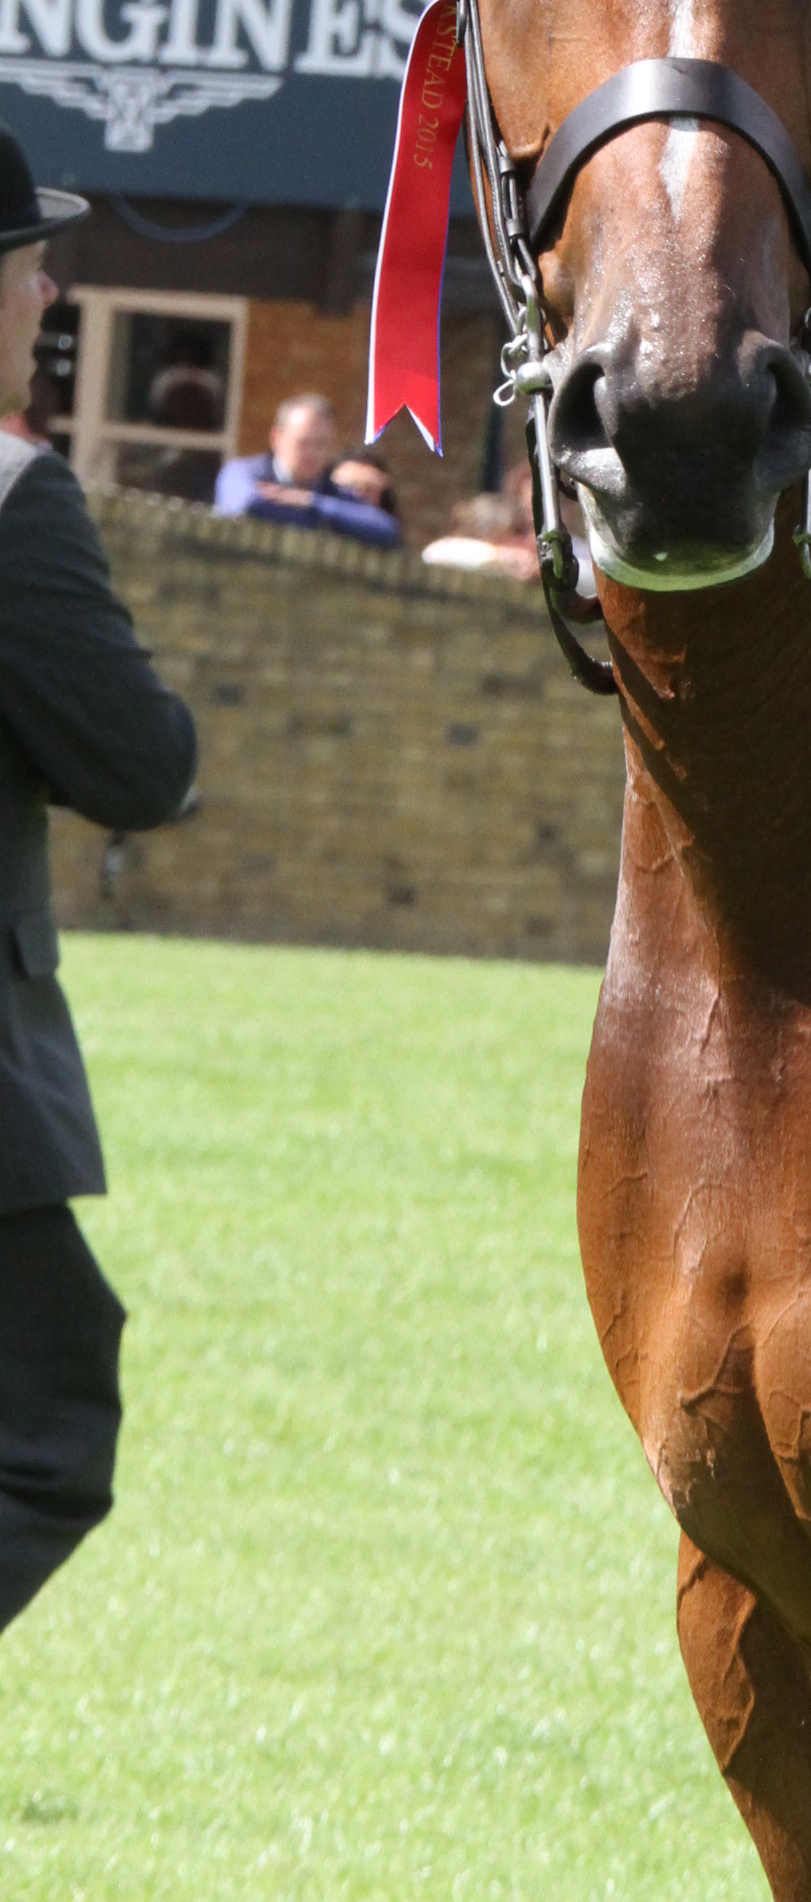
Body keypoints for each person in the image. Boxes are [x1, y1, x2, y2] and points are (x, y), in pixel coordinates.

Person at [0, 128, 198, 1637]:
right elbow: (141, 766)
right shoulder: (10, 501)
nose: (50, 288)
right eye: (26, 266)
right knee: (44, 1438)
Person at [212, 395, 402, 549]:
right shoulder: (243, 473)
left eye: (321, 444)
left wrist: (310, 502)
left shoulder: (327, 491)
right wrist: (326, 523)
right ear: (276, 438)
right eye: (303, 443)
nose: (312, 453)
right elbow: (246, 505)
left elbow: (385, 529)